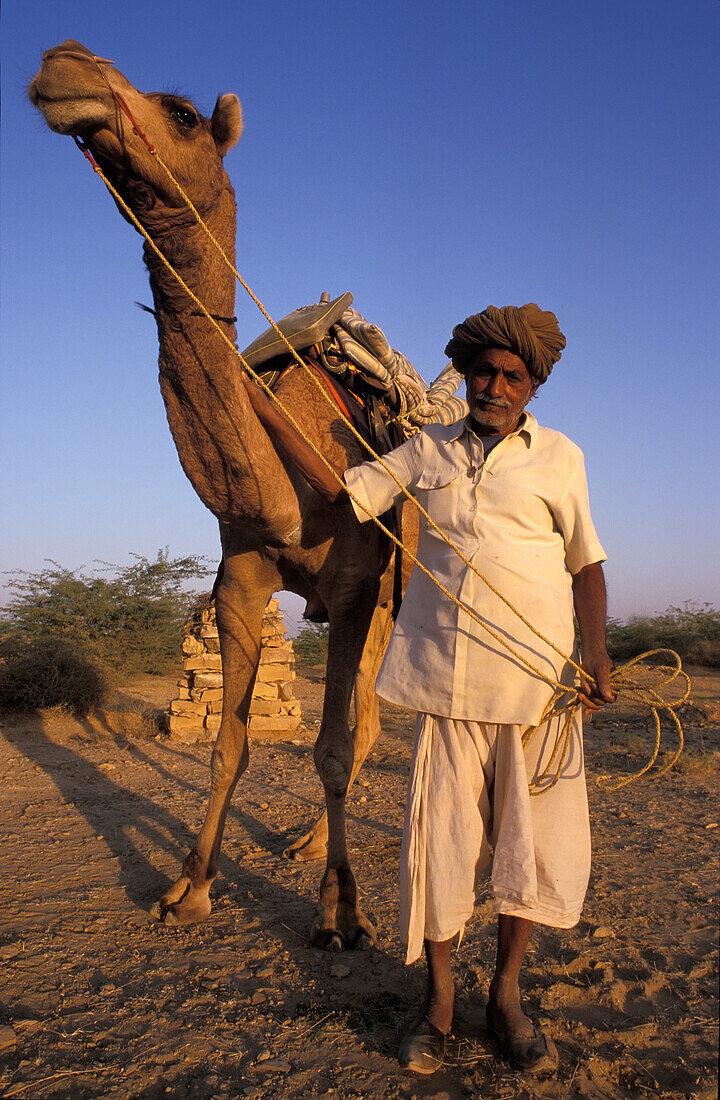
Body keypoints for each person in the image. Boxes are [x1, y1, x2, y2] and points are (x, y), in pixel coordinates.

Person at [240, 302, 614, 1076]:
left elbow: (587, 563)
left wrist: (599, 656)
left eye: (513, 375)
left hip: (538, 692)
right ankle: (439, 1005)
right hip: (448, 691)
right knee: (438, 854)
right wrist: (260, 410)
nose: (495, 385)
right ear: (469, 375)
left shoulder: (562, 460)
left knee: (529, 855)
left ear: (532, 386)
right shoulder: (425, 450)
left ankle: (506, 997)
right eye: (484, 371)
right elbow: (346, 494)